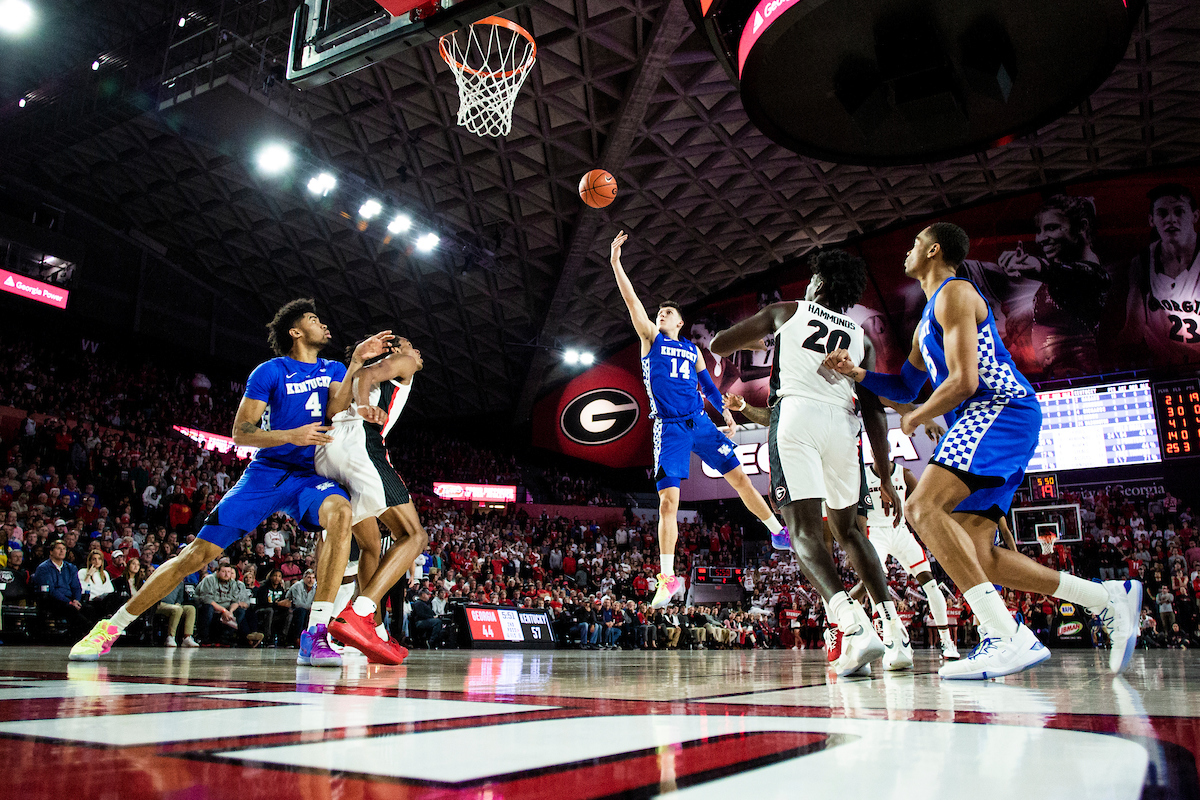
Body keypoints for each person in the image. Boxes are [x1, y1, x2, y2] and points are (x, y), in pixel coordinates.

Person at [824, 221, 1142, 679]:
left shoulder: (955, 293)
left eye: (915, 244)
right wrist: (857, 374)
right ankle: (1107, 598)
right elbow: (906, 385)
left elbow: (964, 382)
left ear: (934, 251)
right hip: (998, 417)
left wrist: (915, 417)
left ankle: (1006, 636)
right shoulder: (925, 321)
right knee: (980, 555)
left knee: (922, 508)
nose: (907, 252)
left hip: (997, 408)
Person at [67, 299, 392, 666]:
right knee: (196, 555)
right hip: (265, 474)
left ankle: (314, 636)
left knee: (341, 513)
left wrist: (355, 362)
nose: (325, 326)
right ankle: (110, 627)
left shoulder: (333, 367)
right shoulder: (270, 372)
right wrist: (292, 435)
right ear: (296, 331)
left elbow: (334, 407)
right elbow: (241, 433)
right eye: (315, 320)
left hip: (310, 477)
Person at [710, 249, 904, 676]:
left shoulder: (786, 311)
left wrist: (762, 339)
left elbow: (718, 344)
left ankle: (852, 626)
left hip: (796, 415)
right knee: (851, 531)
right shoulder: (862, 338)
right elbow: (872, 408)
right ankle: (895, 635)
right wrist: (885, 475)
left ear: (818, 283)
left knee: (803, 530)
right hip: (844, 424)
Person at [608, 231, 788, 611]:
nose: (662, 314)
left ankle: (776, 531)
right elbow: (633, 303)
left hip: (699, 423)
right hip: (669, 426)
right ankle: (668, 578)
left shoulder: (693, 350)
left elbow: (709, 387)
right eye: (660, 312)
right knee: (668, 504)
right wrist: (616, 263)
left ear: (681, 320)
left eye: (668, 312)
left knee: (740, 478)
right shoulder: (650, 340)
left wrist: (726, 412)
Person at [317, 337, 430, 665]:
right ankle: (361, 612)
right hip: (360, 448)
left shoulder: (348, 373)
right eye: (410, 343)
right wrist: (365, 403)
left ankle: (376, 631)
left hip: (327, 452)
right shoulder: (402, 363)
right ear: (396, 350)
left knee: (370, 544)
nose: (416, 349)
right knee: (413, 536)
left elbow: (332, 408)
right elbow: (368, 378)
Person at [855, 458, 959, 660]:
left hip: (900, 531)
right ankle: (884, 630)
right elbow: (858, 511)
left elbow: (922, 501)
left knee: (930, 585)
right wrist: (860, 542)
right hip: (875, 532)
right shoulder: (864, 476)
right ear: (871, 452)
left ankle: (947, 642)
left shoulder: (904, 473)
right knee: (871, 582)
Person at [1117, 183, 1200, 366]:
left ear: (1195, 215)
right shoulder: (1142, 261)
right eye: (1162, 213)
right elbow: (1133, 328)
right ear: (1151, 220)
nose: (1171, 219)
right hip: (1166, 367)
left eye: (1179, 212)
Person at [33, 540, 90, 637]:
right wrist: (69, 602)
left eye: (64, 549)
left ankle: (80, 634)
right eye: (59, 549)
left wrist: (76, 600)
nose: (62, 551)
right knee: (70, 609)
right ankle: (90, 630)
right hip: (52, 600)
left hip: (70, 600)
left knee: (89, 609)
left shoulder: (71, 567)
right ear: (51, 552)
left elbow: (76, 587)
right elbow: (51, 590)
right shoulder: (44, 568)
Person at [195, 562, 261, 646]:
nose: (226, 574)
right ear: (217, 572)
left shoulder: (233, 583)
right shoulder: (209, 579)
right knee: (208, 608)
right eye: (224, 572)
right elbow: (207, 599)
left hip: (226, 607)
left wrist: (230, 611)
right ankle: (204, 638)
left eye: (229, 572)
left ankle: (225, 638)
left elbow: (235, 601)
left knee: (240, 611)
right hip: (209, 605)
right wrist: (223, 610)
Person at [255, 569, 293, 647]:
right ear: (271, 577)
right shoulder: (263, 588)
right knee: (270, 611)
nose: (277, 578)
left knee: (289, 612)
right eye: (275, 576)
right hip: (263, 610)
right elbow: (262, 603)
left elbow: (282, 602)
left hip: (276, 611)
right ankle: (268, 638)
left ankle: (283, 637)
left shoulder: (281, 589)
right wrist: (276, 604)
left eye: (279, 576)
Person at [155, 582, 199, 647]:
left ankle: (187, 637)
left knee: (190, 609)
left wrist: (178, 603)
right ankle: (171, 637)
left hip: (173, 605)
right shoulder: (162, 579)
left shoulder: (180, 582)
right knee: (177, 609)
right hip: (160, 604)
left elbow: (180, 597)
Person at [79, 550, 114, 617]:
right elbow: (82, 590)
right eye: (94, 559)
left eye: (99, 559)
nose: (97, 561)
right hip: (90, 600)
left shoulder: (104, 573)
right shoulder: (83, 572)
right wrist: (89, 575)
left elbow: (110, 590)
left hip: (103, 600)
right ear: (90, 561)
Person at [286, 569, 317, 643]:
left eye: (313, 578)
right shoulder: (297, 586)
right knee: (302, 612)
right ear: (304, 578)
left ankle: (311, 638)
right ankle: (297, 638)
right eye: (309, 577)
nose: (311, 580)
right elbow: (297, 603)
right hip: (292, 608)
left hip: (307, 609)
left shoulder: (316, 587)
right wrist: (311, 608)